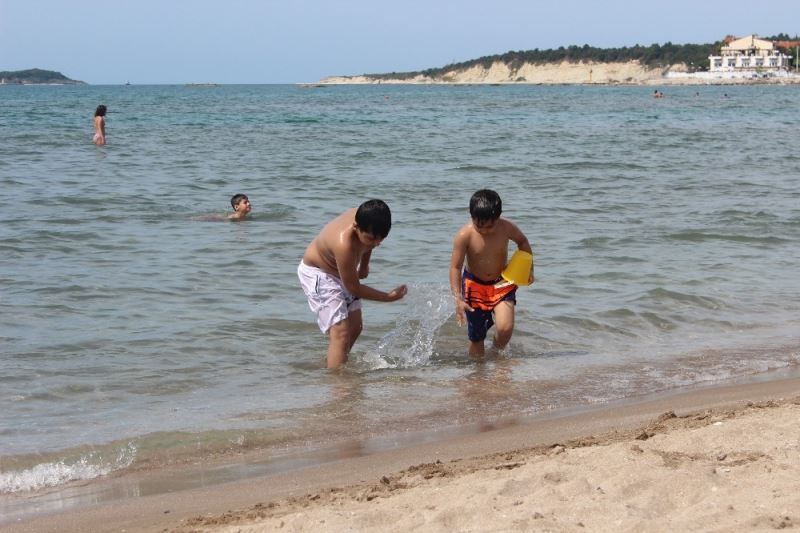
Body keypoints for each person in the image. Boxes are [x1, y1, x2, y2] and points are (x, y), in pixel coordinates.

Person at [298, 199, 407, 368]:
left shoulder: (370, 220)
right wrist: (388, 297)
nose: (376, 243)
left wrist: (364, 266)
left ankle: (334, 364)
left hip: (342, 272)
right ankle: (338, 381)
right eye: (372, 238)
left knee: (356, 327)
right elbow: (354, 288)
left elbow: (369, 243)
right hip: (319, 274)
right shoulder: (343, 243)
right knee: (341, 333)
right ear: (356, 227)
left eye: (381, 239)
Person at [449, 189, 534, 357]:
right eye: (479, 225)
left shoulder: (507, 227)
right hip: (474, 286)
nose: (484, 231)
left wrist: (529, 269)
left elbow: (523, 242)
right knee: (477, 337)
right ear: (471, 216)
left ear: (498, 217)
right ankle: (478, 369)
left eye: (489, 226)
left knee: (505, 328)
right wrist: (457, 298)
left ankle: (495, 354)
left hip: (502, 282)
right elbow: (455, 267)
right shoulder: (464, 235)